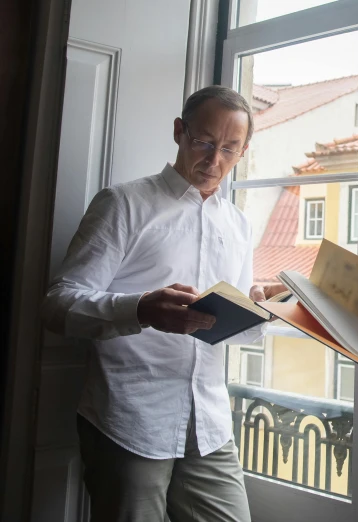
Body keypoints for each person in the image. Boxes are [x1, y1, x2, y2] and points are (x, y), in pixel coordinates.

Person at [42, 85, 284, 521]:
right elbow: (58, 304)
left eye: (230, 149)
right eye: (204, 142)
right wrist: (140, 310)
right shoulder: (123, 204)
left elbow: (225, 325)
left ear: (244, 150)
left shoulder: (239, 225)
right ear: (179, 132)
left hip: (209, 422)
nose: (215, 161)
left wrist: (262, 310)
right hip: (129, 418)